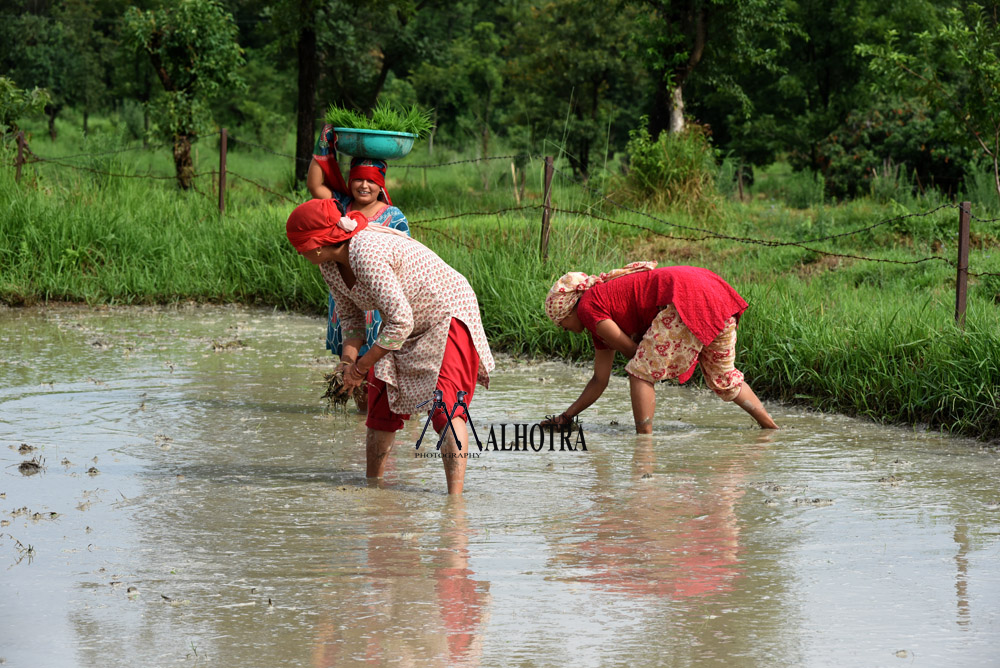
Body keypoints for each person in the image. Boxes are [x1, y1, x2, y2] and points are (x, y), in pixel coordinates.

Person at [286, 198, 495, 494]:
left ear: (317, 244)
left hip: (446, 312)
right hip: (405, 319)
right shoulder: (330, 266)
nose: (299, 252)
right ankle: (374, 488)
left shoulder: (365, 253)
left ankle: (455, 505)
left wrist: (361, 366)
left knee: (444, 405)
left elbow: (400, 322)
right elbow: (351, 318)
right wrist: (347, 363)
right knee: (380, 400)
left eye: (300, 246)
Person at [542, 261, 778, 433]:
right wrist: (566, 416)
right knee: (724, 378)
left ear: (571, 307)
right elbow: (599, 380)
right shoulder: (599, 308)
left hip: (687, 297)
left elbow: (632, 352)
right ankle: (771, 428)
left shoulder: (588, 308)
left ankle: (643, 445)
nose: (563, 328)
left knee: (639, 373)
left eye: (561, 322)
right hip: (714, 293)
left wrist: (644, 357)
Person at [307, 124, 410, 411]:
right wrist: (322, 144)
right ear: (350, 181)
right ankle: (364, 426)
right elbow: (316, 186)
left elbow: (404, 259)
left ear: (382, 185)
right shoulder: (339, 205)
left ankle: (392, 415)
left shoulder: (393, 216)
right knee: (353, 365)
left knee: (384, 367)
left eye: (372, 181)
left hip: (383, 302)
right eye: (358, 180)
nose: (364, 187)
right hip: (347, 298)